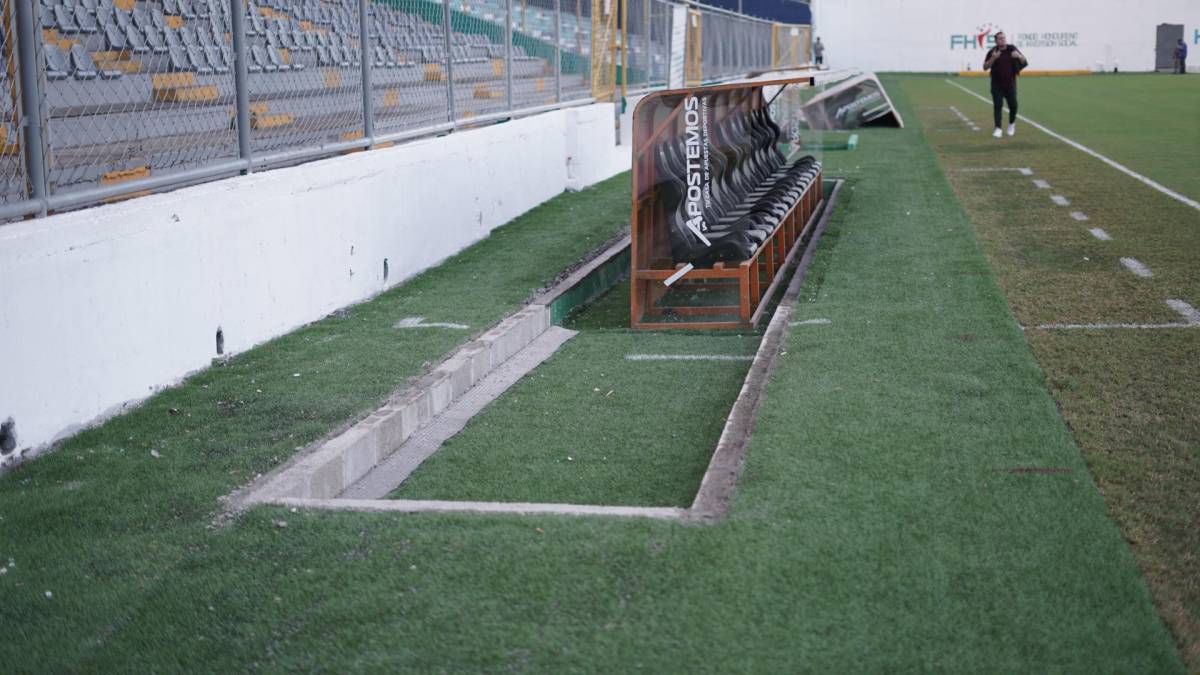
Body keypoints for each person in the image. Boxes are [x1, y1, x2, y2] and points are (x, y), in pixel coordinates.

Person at [983, 32, 1027, 138]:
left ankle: (1011, 125)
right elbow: (985, 67)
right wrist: (993, 58)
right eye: (1000, 38)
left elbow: (1024, 62)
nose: (1003, 40)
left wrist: (1019, 56)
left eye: (1004, 38)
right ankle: (998, 128)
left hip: (1010, 84)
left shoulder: (1012, 49)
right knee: (998, 106)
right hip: (996, 84)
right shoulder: (993, 51)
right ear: (996, 41)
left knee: (1014, 106)